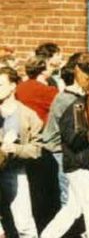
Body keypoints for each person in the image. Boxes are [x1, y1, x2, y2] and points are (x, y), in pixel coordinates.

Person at [41, 54, 89, 238]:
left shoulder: (80, 99)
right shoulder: (71, 101)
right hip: (71, 157)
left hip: (75, 157)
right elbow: (73, 137)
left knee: (74, 207)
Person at [0, 67, 42, 238]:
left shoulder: (28, 115)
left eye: (0, 84)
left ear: (13, 86)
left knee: (24, 224)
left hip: (14, 172)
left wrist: (16, 149)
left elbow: (37, 149)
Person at [15, 54, 59, 124]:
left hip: (21, 125)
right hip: (40, 128)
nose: (53, 68)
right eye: (50, 66)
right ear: (43, 71)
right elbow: (59, 110)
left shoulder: (19, 87)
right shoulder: (48, 90)